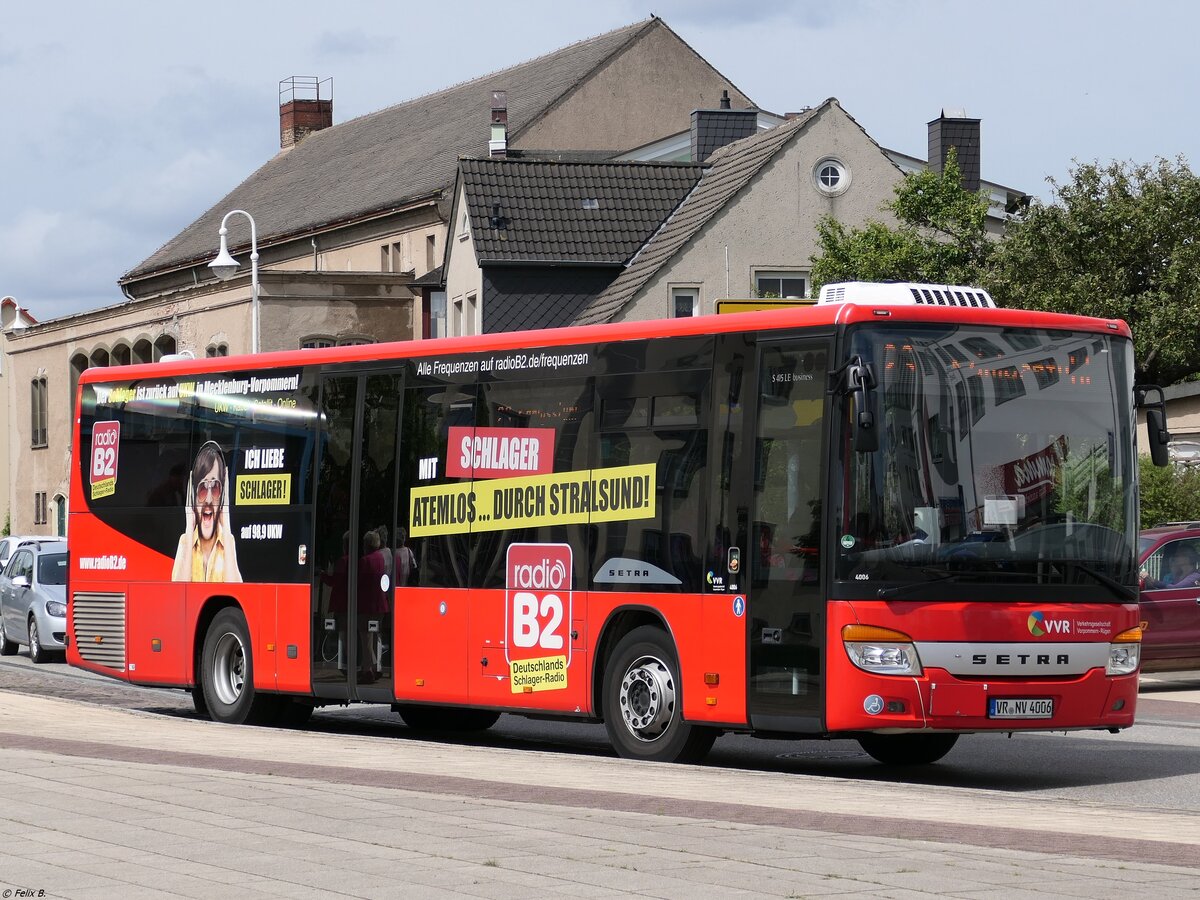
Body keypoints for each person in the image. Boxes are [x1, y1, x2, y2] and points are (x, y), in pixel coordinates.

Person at [171, 442, 242, 582]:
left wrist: (226, 523)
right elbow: (178, 593)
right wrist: (189, 529)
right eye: (202, 489)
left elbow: (237, 591)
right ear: (193, 497)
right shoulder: (185, 541)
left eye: (215, 487)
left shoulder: (228, 540)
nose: (209, 499)